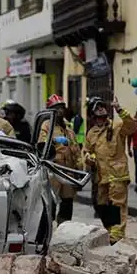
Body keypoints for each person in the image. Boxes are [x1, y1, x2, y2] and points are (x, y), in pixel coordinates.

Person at [84, 97, 136, 243]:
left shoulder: (117, 128)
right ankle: (111, 230)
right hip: (101, 177)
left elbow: (132, 126)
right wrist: (89, 157)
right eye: (97, 113)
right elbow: (87, 151)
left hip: (117, 175)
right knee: (101, 206)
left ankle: (116, 236)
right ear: (93, 117)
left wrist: (119, 109)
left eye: (102, 110)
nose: (100, 115)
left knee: (117, 205)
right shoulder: (91, 134)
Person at [39, 94, 82, 224]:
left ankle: (64, 227)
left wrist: (79, 169)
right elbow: (42, 143)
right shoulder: (46, 125)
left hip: (68, 170)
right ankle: (47, 229)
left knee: (67, 202)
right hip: (53, 170)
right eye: (56, 108)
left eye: (62, 108)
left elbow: (75, 149)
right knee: (50, 201)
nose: (60, 111)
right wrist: (53, 140)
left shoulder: (68, 128)